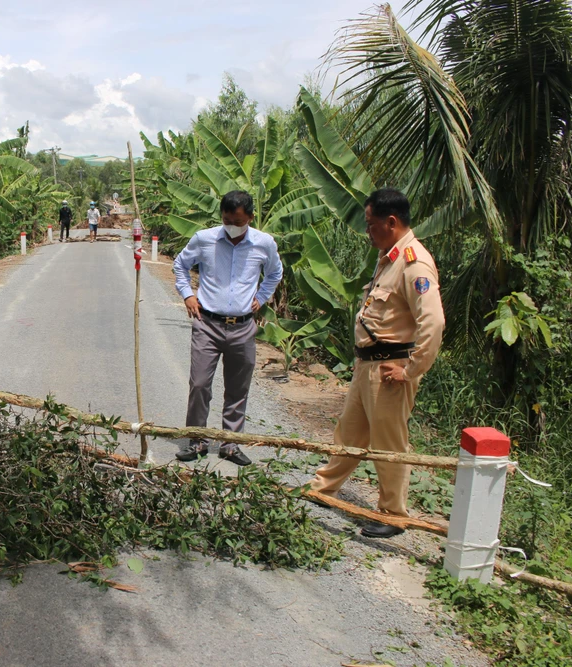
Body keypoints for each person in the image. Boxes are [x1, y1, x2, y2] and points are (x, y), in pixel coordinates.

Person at [308, 188, 444, 538]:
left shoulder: (415, 263)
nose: (368, 232)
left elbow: (433, 323)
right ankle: (324, 488)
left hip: (390, 371)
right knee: (349, 433)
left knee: (389, 445)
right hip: (367, 366)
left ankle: (392, 515)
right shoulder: (389, 257)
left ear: (392, 222)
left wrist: (410, 370)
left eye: (371, 226)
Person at [173, 190, 283, 466]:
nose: (232, 226)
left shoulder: (264, 244)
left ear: (250, 218)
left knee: (237, 388)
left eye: (238, 221)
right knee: (199, 384)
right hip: (207, 324)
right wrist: (187, 294)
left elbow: (275, 273)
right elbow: (180, 265)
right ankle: (197, 440)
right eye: (227, 220)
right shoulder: (204, 239)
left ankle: (230, 444)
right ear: (221, 216)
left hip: (243, 326)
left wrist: (261, 297)